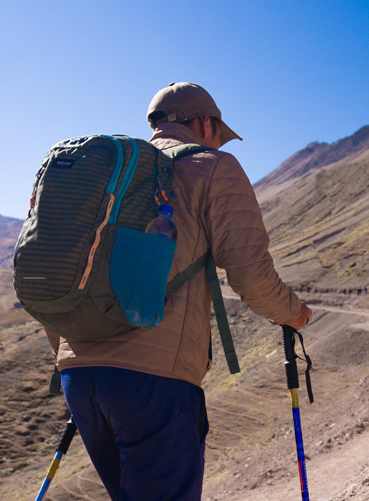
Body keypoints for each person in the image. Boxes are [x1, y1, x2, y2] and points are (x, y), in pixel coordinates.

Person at [44, 82, 312, 501]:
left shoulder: (111, 175)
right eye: (217, 132)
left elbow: (53, 270)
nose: (218, 141)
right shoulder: (214, 167)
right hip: (155, 380)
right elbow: (250, 274)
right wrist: (293, 313)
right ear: (205, 122)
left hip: (78, 374)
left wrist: (76, 359)